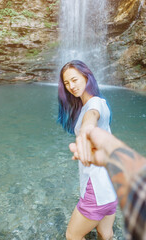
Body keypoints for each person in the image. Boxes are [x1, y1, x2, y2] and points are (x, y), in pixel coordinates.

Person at [58, 60, 118, 240]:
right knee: (105, 233)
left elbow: (91, 118)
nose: (71, 86)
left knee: (72, 236)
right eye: (67, 83)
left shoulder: (94, 105)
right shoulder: (101, 102)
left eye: (75, 80)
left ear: (87, 76)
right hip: (111, 183)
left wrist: (84, 132)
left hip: (96, 189)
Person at [69, 127, 146, 240]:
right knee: (105, 233)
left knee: (72, 236)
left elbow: (92, 114)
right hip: (110, 186)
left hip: (99, 189)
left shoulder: (91, 109)